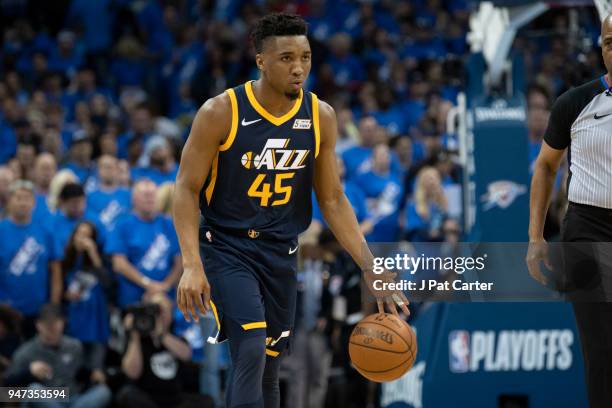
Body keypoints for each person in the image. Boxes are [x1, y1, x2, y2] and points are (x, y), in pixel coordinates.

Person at [173, 13, 408, 408]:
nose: (298, 67)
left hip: (282, 250)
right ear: (261, 60)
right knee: (249, 345)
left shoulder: (321, 116)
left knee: (270, 365)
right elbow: (185, 189)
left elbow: (332, 199)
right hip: (227, 247)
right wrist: (192, 264)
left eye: (305, 56)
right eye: (285, 58)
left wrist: (370, 266)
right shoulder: (221, 112)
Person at [527, 14, 612, 408]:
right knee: (601, 353)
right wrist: (536, 238)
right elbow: (545, 166)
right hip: (587, 231)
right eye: (610, 42)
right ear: (601, 47)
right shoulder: (575, 102)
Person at [3, 304, 111, 408]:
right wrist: (29, 373)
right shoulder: (25, 351)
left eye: (55, 322)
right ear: (38, 325)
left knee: (103, 391)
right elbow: (6, 393)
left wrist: (93, 375)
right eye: (47, 323)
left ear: (63, 322)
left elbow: (80, 374)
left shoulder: (74, 346)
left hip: (72, 397)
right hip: (47, 398)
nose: (51, 327)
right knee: (34, 390)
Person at [117, 293, 213, 408]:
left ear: (171, 314)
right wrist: (134, 335)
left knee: (207, 401)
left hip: (175, 399)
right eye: (156, 310)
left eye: (164, 311)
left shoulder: (175, 335)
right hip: (148, 399)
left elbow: (187, 354)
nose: (160, 316)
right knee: (127, 396)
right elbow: (132, 373)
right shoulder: (137, 338)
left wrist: (162, 335)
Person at [106, 179, 181, 309]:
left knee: (161, 306)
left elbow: (180, 261)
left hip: (166, 294)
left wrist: (165, 286)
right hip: (133, 297)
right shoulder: (122, 225)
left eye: (153, 194)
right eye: (145, 195)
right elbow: (119, 264)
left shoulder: (169, 224)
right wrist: (148, 284)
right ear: (134, 199)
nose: (150, 198)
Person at [0, 180, 62, 337]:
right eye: (18, 198)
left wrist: (54, 305)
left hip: (39, 311)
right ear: (9, 201)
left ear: (34, 203)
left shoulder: (45, 232)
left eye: (27, 198)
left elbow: (55, 270)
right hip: (6, 311)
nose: (22, 203)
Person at [62, 221, 110, 383]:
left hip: (96, 323)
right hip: (73, 323)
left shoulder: (99, 259)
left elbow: (108, 283)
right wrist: (66, 295)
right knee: (71, 373)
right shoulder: (64, 259)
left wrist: (93, 254)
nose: (83, 240)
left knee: (96, 373)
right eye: (80, 234)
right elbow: (55, 288)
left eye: (88, 236)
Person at [86, 155, 131, 233]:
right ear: (98, 170)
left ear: (117, 170)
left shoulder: (128, 195)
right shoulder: (90, 197)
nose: (108, 171)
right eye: (104, 167)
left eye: (110, 167)